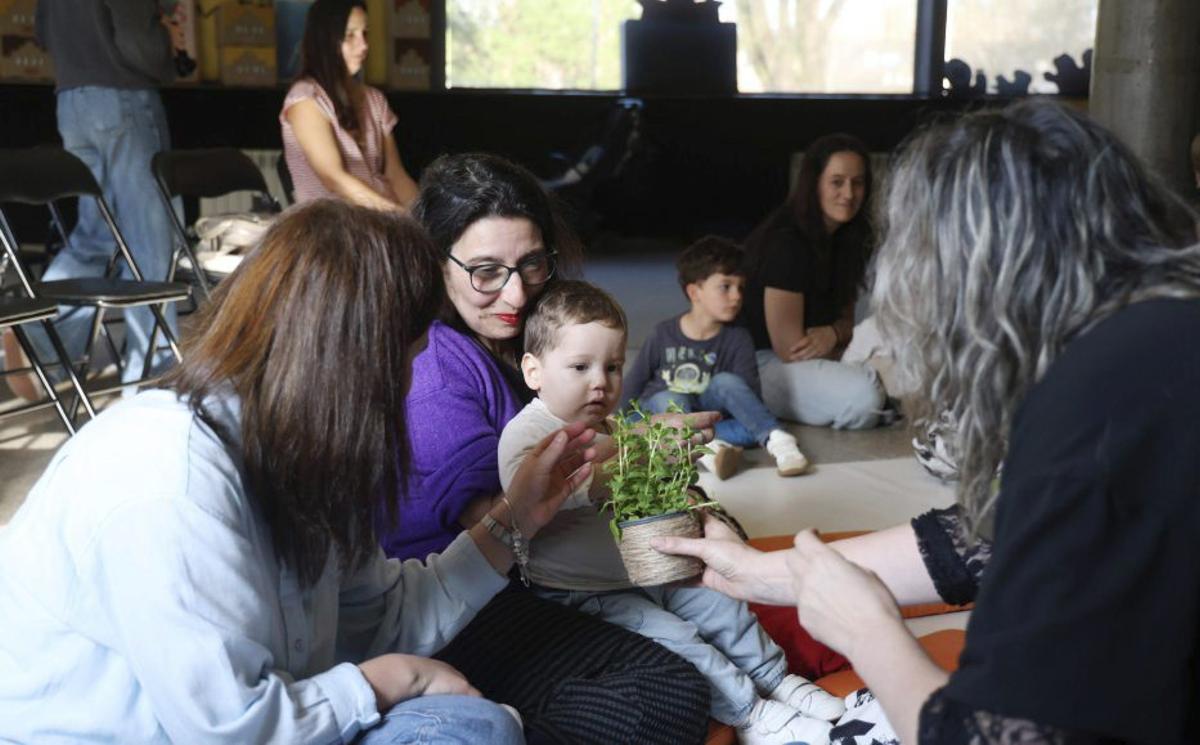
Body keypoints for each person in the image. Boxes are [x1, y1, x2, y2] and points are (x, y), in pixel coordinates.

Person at [656, 100, 1200, 743]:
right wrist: (767, 573)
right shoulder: (1159, 335)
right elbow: (989, 536)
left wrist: (869, 630)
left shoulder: (1096, 397)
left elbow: (993, 733)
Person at [0, 200, 605, 744]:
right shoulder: (169, 486)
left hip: (252, 712)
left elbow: (382, 616)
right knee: (475, 733)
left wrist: (513, 519)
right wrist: (386, 681)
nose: (407, 390)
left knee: (483, 724)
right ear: (351, 364)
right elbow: (232, 731)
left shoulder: (301, 450)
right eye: (408, 360)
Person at [379, 152, 717, 744]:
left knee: (705, 610)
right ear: (435, 263)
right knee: (674, 684)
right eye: (486, 271)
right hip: (463, 596)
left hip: (531, 571)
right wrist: (630, 454)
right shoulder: (436, 369)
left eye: (531, 264)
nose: (515, 293)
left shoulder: (521, 338)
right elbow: (501, 516)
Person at [498, 279, 845, 745]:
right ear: (533, 371)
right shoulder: (528, 434)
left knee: (717, 599)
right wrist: (635, 456)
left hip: (644, 566)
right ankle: (752, 713)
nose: (600, 381)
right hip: (578, 593)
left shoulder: (611, 426)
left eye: (613, 366)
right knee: (675, 638)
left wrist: (675, 478)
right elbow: (560, 491)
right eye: (580, 367)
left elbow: (649, 488)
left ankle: (776, 677)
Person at [6, 0, 186, 398]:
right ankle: (152, 380)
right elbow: (136, 41)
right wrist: (165, 42)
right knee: (149, 242)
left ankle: (39, 338)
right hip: (123, 98)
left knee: (95, 237)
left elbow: (42, 31)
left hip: (72, 100)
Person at [624, 236, 810, 480]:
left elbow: (748, 400)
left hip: (713, 421)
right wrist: (614, 430)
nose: (736, 296)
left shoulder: (738, 338)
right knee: (668, 396)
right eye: (725, 287)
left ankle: (777, 440)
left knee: (728, 386)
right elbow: (631, 387)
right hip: (664, 420)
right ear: (694, 292)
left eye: (740, 288)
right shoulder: (663, 333)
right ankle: (705, 446)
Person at [738, 133, 886, 429]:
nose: (849, 193)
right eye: (837, 182)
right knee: (863, 397)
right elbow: (791, 349)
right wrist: (844, 342)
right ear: (814, 183)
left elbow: (845, 322)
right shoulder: (786, 242)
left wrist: (833, 334)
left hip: (823, 352)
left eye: (857, 182)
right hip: (761, 363)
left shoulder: (850, 239)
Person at [281, 0, 418, 210]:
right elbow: (334, 179)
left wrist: (426, 218)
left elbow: (396, 175)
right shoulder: (305, 100)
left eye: (365, 33)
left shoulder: (374, 100)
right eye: (350, 35)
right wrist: (398, 217)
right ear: (324, 41)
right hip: (332, 228)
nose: (363, 45)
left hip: (379, 222)